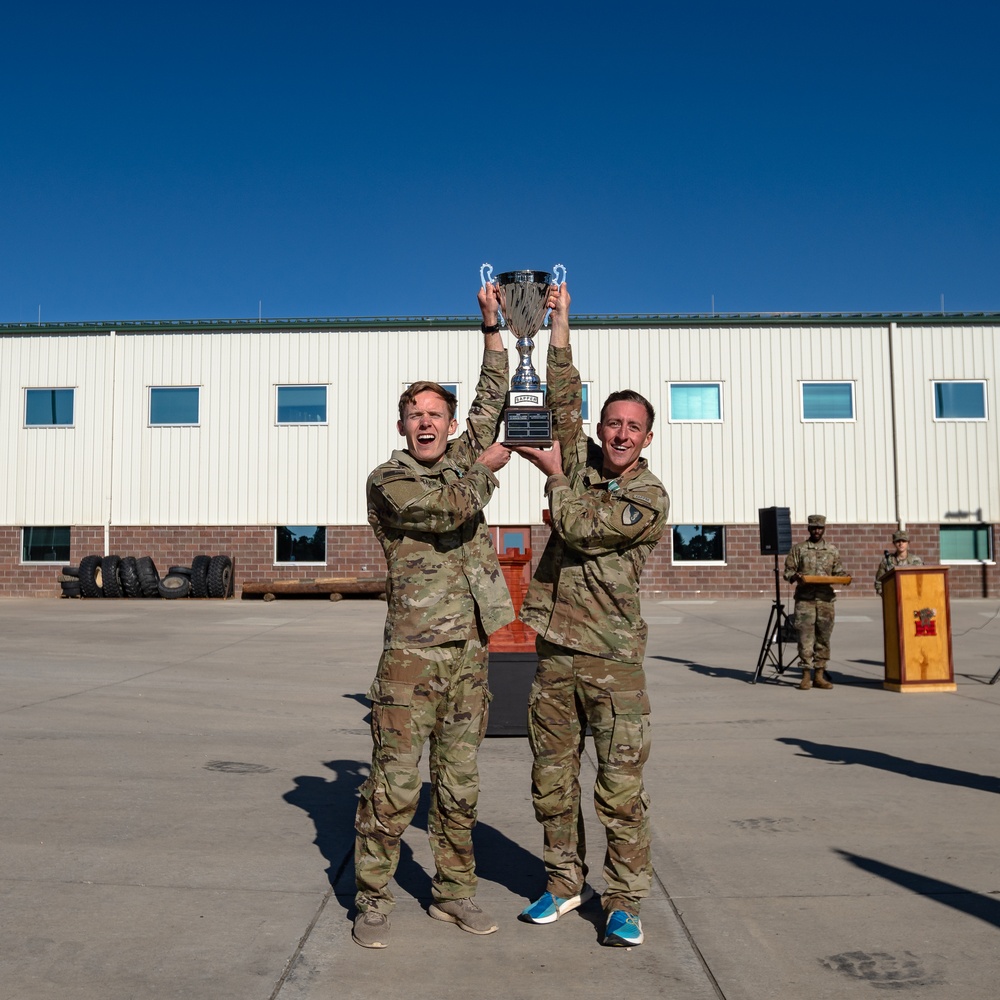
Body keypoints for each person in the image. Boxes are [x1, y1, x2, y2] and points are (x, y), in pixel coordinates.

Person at [352, 283, 522, 949]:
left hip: (468, 659)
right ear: (401, 426)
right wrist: (488, 470)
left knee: (458, 789)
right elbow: (444, 511)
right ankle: (373, 898)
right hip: (410, 662)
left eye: (435, 415)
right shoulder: (389, 481)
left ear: (450, 426)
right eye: (414, 414)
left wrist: (491, 330)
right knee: (393, 789)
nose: (426, 423)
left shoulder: (459, 454)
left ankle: (453, 894)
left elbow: (493, 399)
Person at [512, 283, 669, 949]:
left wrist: (554, 478)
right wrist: (560, 322)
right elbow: (562, 398)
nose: (622, 434)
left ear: (647, 436)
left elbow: (575, 525)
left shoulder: (646, 496)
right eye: (614, 424)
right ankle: (564, 882)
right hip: (555, 651)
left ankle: (625, 901)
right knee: (551, 779)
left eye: (634, 426)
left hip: (611, 661)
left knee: (618, 788)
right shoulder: (581, 458)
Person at [782, 515, 849, 691]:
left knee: (823, 638)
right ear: (809, 529)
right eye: (813, 528)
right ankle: (805, 675)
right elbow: (788, 571)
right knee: (805, 638)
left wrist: (845, 577)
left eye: (820, 528)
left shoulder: (832, 550)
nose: (817, 531)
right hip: (805, 601)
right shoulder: (799, 549)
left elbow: (838, 571)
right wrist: (795, 576)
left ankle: (819, 675)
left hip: (826, 601)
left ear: (824, 528)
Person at [874, 529, 923, 596]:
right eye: (898, 541)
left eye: (903, 541)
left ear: (908, 543)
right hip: (893, 597)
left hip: (912, 596)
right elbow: (879, 582)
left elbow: (922, 580)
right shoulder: (887, 561)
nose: (901, 543)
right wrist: (885, 595)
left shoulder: (916, 561)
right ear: (894, 543)